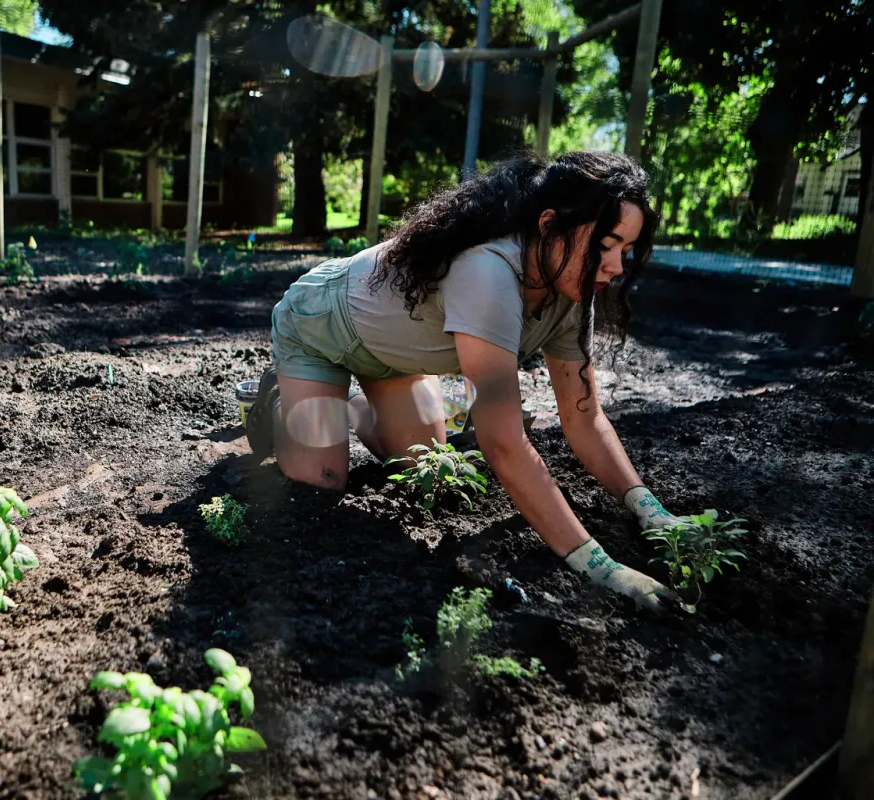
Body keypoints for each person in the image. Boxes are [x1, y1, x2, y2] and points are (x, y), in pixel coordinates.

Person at [245, 151, 683, 611]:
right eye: (605, 244)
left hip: (394, 360)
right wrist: (600, 567)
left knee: (423, 468)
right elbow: (504, 444)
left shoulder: (571, 292)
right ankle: (279, 401)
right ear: (550, 224)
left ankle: (349, 404)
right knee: (325, 481)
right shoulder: (490, 272)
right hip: (319, 327)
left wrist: (650, 511)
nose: (614, 266)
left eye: (625, 252)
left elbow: (585, 417)